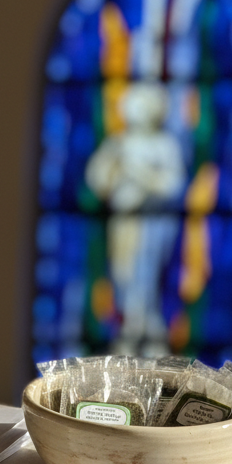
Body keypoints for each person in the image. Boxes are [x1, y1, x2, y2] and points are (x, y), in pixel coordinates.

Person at [85, 82, 185, 354]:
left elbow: (174, 186)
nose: (135, 110)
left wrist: (140, 174)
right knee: (124, 276)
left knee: (146, 278)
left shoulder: (165, 145)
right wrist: (113, 167)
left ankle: (146, 335)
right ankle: (132, 331)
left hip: (153, 225)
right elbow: (96, 180)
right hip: (123, 221)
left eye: (142, 104)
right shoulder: (119, 142)